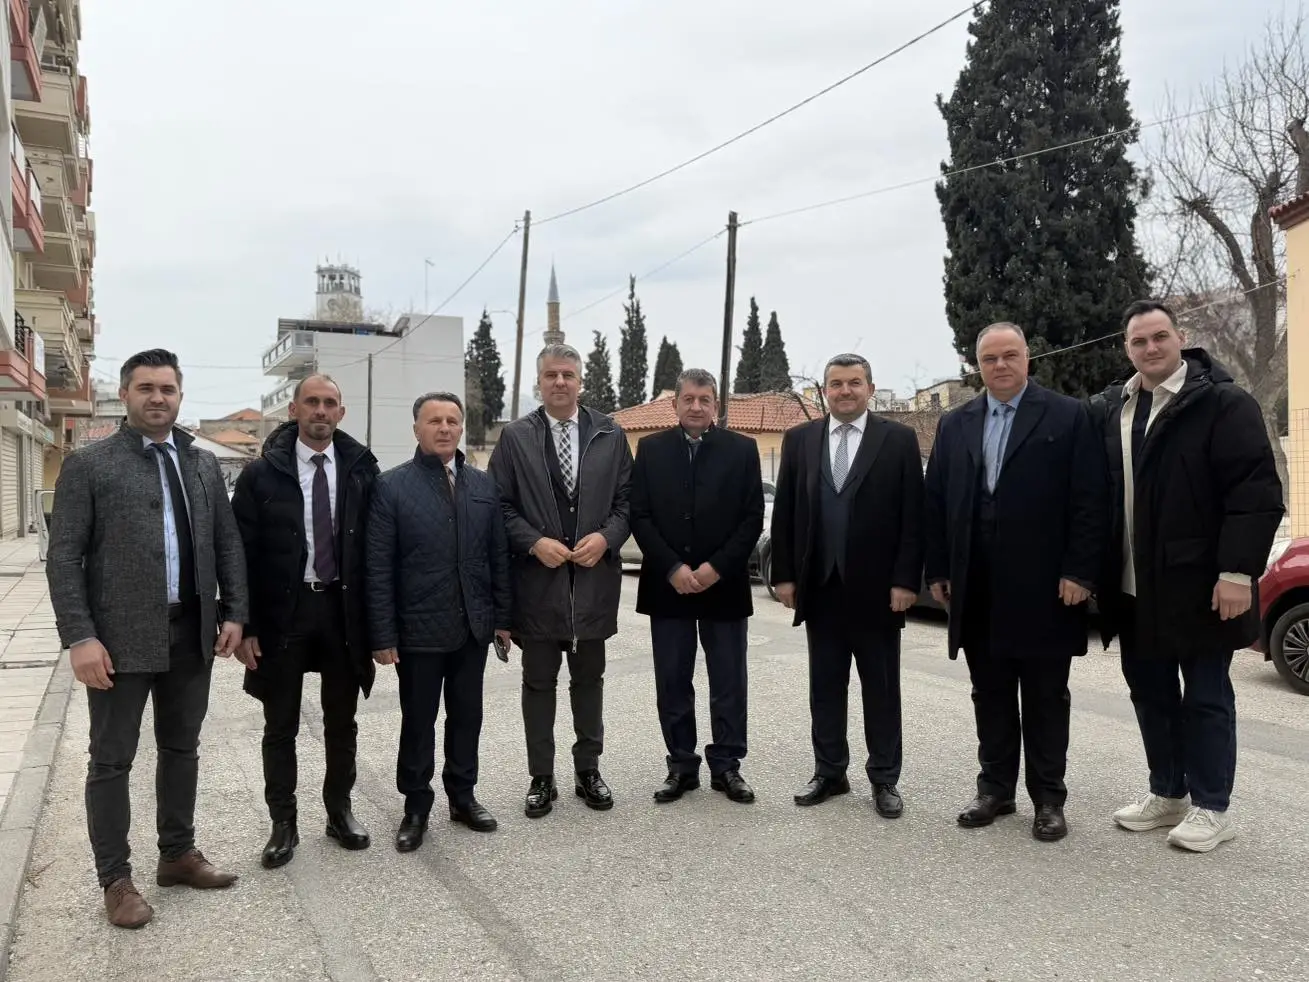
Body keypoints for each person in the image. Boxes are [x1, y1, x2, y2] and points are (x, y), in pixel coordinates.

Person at [45, 348, 248, 929]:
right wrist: (80, 636)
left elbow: (226, 543)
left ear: (179, 395)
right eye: (146, 388)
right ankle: (116, 879)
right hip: (117, 640)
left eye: (167, 389)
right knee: (112, 760)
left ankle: (177, 854)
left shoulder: (202, 463)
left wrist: (235, 613)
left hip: (191, 633)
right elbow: (64, 557)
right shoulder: (90, 465)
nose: (158, 398)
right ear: (125, 395)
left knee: (182, 748)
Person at [1093, 301, 1283, 853]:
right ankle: (1168, 791)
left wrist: (1237, 572)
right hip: (1134, 587)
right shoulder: (1115, 407)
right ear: (1126, 348)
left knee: (1205, 697)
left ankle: (1212, 806)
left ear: (1181, 337)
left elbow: (1254, 492)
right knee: (1150, 693)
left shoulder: (1223, 402)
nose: (1150, 348)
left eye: (1159, 337)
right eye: (1138, 341)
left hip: (1202, 585)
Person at [923, 323, 1108, 842]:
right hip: (976, 585)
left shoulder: (1069, 416)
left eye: (1010, 355)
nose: (1000, 365)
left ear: (1028, 357)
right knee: (990, 693)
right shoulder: (955, 423)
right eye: (989, 358)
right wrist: (939, 569)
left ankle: (1048, 799)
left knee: (1046, 696)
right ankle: (995, 790)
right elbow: (935, 501)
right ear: (976, 365)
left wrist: (1080, 571)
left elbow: (1091, 499)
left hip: (1047, 587)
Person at [230, 374, 380, 869]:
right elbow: (239, 553)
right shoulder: (261, 474)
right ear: (293, 410)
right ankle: (283, 822)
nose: (320, 410)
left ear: (341, 412)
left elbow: (376, 550)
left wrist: (380, 626)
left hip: (342, 612)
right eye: (311, 402)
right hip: (283, 614)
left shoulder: (361, 469)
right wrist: (244, 623)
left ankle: (339, 811)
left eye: (329, 403)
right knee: (280, 725)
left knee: (342, 722)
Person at [769, 353, 924, 817]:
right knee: (825, 687)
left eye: (854, 383)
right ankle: (830, 771)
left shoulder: (897, 440)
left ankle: (884, 778)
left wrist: (905, 580)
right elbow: (786, 512)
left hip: (879, 593)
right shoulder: (800, 440)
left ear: (870, 389)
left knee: (881, 689)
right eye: (836, 384)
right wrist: (784, 575)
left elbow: (914, 515)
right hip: (821, 589)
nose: (845, 391)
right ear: (825, 391)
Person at [488, 343, 633, 818]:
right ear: (539, 382)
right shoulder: (515, 437)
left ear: (580, 381)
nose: (560, 382)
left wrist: (606, 538)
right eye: (551, 374)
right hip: (538, 589)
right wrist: (533, 542)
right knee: (538, 685)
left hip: (592, 586)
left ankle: (588, 770)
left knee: (590, 682)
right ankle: (541, 776)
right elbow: (498, 506)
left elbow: (628, 502)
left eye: (568, 374)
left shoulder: (610, 433)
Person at [367, 392, 512, 852]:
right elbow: (378, 567)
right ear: (416, 429)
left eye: (452, 420)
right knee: (419, 721)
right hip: (418, 632)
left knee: (467, 716)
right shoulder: (391, 487)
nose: (445, 428)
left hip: (472, 627)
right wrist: (383, 634)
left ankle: (463, 796)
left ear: (461, 427)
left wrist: (502, 619)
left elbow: (498, 557)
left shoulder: (483, 486)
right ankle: (416, 806)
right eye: (434, 421)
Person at [629, 368, 765, 804]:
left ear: (716, 406)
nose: (696, 406)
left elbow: (752, 518)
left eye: (705, 399)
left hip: (723, 586)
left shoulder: (742, 450)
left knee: (729, 681)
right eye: (688, 399)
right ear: (675, 404)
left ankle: (727, 766)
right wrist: (672, 567)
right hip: (667, 586)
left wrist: (715, 568)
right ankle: (681, 765)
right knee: (673, 680)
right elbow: (639, 515)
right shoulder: (651, 449)